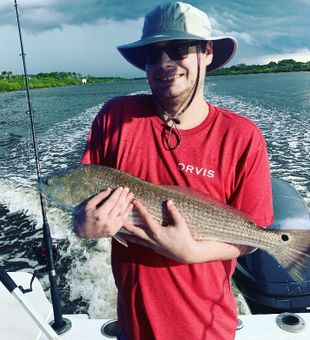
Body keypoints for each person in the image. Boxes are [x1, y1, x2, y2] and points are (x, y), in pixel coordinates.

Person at [74, 2, 274, 339]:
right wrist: (83, 225)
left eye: (178, 49)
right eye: (153, 54)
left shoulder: (242, 136)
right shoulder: (115, 117)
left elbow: (255, 238)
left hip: (208, 330)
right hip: (133, 327)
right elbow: (83, 195)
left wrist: (192, 252)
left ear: (207, 52)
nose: (164, 63)